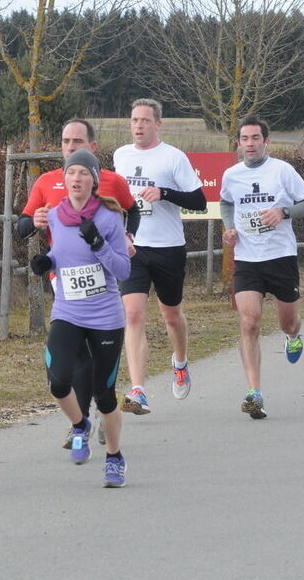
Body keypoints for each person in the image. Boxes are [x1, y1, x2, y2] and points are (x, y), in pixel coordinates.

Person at [16, 118, 138, 449]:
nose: (70, 148)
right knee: (67, 366)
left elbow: (132, 214)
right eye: (66, 141)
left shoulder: (112, 188)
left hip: (104, 305)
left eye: (77, 142)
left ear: (92, 148)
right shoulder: (48, 190)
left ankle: (107, 443)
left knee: (101, 384)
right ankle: (80, 422)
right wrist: (43, 253)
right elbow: (24, 225)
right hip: (66, 294)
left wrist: (122, 238)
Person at [28, 149, 131, 487]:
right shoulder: (55, 215)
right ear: (64, 180)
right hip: (68, 311)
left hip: (105, 317)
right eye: (70, 173)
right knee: (58, 380)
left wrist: (100, 244)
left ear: (94, 181)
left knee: (104, 394)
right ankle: (79, 425)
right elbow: (62, 254)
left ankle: (114, 458)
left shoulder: (110, 218)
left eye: (83, 174)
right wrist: (48, 262)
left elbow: (122, 269)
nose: (75, 179)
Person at [219, 114, 304, 419]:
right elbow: (226, 203)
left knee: (287, 322)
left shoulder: (282, 171)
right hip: (247, 259)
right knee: (249, 322)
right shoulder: (231, 175)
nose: (250, 144)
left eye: (255, 138)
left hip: (281, 257)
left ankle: (292, 336)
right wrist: (229, 227)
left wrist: (283, 211)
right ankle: (254, 392)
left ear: (266, 142)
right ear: (239, 143)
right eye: (245, 139)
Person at [113, 98, 207, 414]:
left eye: (145, 120)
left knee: (171, 314)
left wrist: (164, 193)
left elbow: (199, 200)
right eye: (134, 120)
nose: (138, 125)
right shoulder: (120, 156)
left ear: (158, 124)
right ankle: (138, 389)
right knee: (134, 314)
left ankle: (179, 361)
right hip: (133, 247)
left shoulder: (173, 158)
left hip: (168, 248)